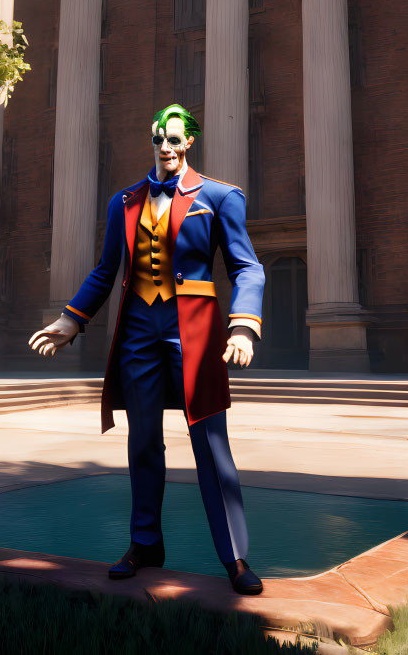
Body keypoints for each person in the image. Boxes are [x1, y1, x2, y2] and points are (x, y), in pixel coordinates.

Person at [29, 103, 265, 595]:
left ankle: (235, 556)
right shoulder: (124, 202)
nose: (166, 148)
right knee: (142, 443)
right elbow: (105, 270)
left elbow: (247, 267)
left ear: (189, 142)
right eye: (159, 139)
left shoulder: (220, 197)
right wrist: (70, 320)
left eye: (175, 140)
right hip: (137, 329)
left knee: (210, 443)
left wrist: (243, 326)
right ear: (151, 141)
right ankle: (145, 543)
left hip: (194, 332)